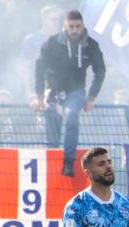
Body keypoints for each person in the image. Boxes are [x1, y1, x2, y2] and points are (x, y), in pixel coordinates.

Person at [32, 10, 106, 177]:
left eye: (77, 26)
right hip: (54, 91)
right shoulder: (51, 42)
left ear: (82, 26)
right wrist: (39, 97)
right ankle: (52, 157)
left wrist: (92, 97)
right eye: (71, 26)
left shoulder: (91, 45)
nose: (74, 30)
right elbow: (39, 67)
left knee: (72, 115)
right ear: (65, 26)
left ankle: (68, 162)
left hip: (76, 91)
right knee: (53, 118)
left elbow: (100, 71)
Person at [21, 4, 64, 99]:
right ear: (43, 20)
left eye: (57, 20)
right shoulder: (31, 40)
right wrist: (28, 91)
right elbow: (26, 68)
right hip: (38, 90)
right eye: (53, 20)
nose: (56, 22)